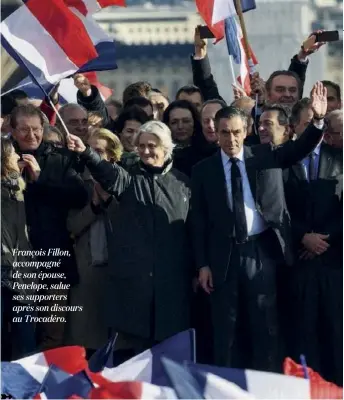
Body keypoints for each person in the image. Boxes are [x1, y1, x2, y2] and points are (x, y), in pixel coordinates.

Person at [191, 81, 326, 371]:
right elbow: (198, 220)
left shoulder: (265, 156)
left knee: (265, 326)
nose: (231, 139)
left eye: (237, 132)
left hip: (262, 252)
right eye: (225, 133)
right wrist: (202, 264)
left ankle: (266, 386)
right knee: (226, 330)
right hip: (223, 255)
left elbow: (301, 147)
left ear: (246, 131)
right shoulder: (203, 171)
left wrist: (317, 120)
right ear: (216, 133)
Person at [67, 121, 193, 354]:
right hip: (134, 292)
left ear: (166, 148)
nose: (146, 151)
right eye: (141, 145)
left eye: (152, 145)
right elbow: (107, 173)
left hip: (172, 290)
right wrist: (86, 153)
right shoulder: (128, 178)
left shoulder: (183, 183)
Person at [10, 104, 89, 350]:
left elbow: (80, 197)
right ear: (12, 131)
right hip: (13, 262)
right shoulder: (5, 158)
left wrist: (39, 180)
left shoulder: (61, 159)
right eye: (24, 130)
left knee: (52, 334)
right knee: (17, 334)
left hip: (54, 260)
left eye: (35, 129)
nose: (31, 135)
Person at [283, 113, 343, 386]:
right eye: (307, 123)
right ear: (294, 126)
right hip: (298, 264)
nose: (314, 129)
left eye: (319, 123)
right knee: (304, 339)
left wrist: (323, 240)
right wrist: (302, 237)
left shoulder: (339, 156)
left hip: (333, 264)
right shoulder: (283, 159)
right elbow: (274, 206)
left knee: (336, 338)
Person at [66, 129, 123, 353]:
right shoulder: (76, 182)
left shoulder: (123, 182)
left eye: (98, 151)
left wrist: (109, 202)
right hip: (86, 272)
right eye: (89, 149)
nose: (91, 155)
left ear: (111, 156)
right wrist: (93, 206)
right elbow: (71, 226)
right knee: (85, 343)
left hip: (117, 271)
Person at [1, 138, 37, 360]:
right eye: (13, 153)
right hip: (4, 268)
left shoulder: (21, 188)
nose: (18, 157)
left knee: (25, 340)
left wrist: (36, 179)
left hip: (21, 272)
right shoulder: (10, 190)